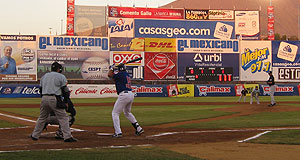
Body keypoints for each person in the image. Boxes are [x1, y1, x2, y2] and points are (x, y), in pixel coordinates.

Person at [31, 62, 77, 142]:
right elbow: (65, 90)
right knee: (64, 118)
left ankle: (35, 135)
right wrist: (66, 101)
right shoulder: (61, 76)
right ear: (59, 69)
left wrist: (43, 98)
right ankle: (67, 136)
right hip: (54, 98)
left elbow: (40, 90)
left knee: (42, 117)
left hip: (44, 97)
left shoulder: (44, 76)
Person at [108, 63, 144, 138]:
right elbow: (114, 79)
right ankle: (138, 128)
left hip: (124, 95)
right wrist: (113, 69)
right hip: (130, 94)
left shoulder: (120, 74)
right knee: (127, 112)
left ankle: (118, 132)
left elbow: (109, 75)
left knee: (115, 113)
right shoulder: (126, 74)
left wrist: (111, 68)